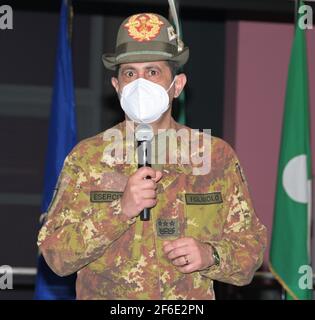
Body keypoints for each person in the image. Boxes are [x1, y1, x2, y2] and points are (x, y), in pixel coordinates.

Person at [38, 12, 267, 300]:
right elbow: (55, 256)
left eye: (153, 72)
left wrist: (211, 255)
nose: (140, 83)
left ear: (178, 85)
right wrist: (120, 211)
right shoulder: (87, 158)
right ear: (117, 86)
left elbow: (252, 248)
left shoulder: (214, 156)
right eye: (130, 74)